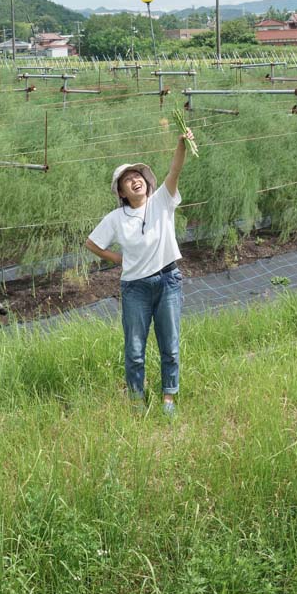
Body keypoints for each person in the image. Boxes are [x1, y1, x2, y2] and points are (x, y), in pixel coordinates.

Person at [85, 125, 194, 415]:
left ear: (146, 182)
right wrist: (118, 259)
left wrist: (181, 143)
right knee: (135, 349)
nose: (134, 181)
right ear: (121, 191)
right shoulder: (116, 218)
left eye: (137, 176)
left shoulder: (161, 201)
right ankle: (136, 400)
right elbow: (92, 243)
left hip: (168, 280)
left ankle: (168, 398)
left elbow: (174, 171)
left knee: (169, 345)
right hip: (135, 288)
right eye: (127, 180)